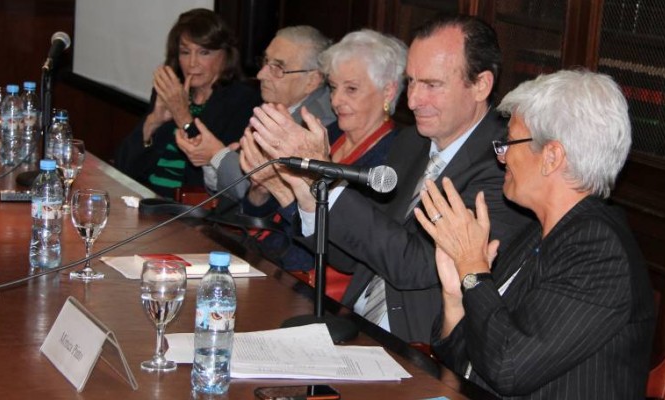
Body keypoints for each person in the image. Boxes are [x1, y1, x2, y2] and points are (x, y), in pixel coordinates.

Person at [247, 15, 532, 343]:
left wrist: (322, 174)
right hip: (354, 318)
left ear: (481, 84)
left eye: (432, 85)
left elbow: (418, 266)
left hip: (420, 342)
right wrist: (304, 189)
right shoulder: (412, 142)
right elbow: (351, 254)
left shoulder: (504, 163)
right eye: (411, 81)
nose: (413, 101)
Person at [415, 70, 655, 399]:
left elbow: (508, 368)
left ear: (551, 157)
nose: (502, 157)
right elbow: (470, 362)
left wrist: (473, 267)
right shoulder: (539, 232)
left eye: (509, 142)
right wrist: (457, 295)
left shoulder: (598, 250)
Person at [241, 29, 407, 275]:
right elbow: (260, 216)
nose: (336, 100)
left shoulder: (389, 159)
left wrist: (282, 190)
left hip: (310, 284)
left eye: (351, 89)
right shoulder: (328, 133)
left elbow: (328, 250)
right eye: (333, 87)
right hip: (263, 258)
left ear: (388, 91)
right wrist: (261, 189)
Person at [115, 8, 261, 199]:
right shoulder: (171, 92)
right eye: (185, 52)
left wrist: (183, 116)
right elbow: (122, 168)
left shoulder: (244, 101)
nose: (192, 63)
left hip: (191, 213)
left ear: (225, 55)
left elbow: (214, 182)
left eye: (204, 52)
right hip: (145, 201)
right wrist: (153, 122)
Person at [179, 25, 335, 202]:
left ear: (312, 80)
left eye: (277, 68)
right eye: (265, 62)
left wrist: (216, 154)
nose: (261, 74)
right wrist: (210, 159)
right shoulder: (274, 104)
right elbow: (231, 191)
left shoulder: (316, 123)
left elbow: (251, 188)